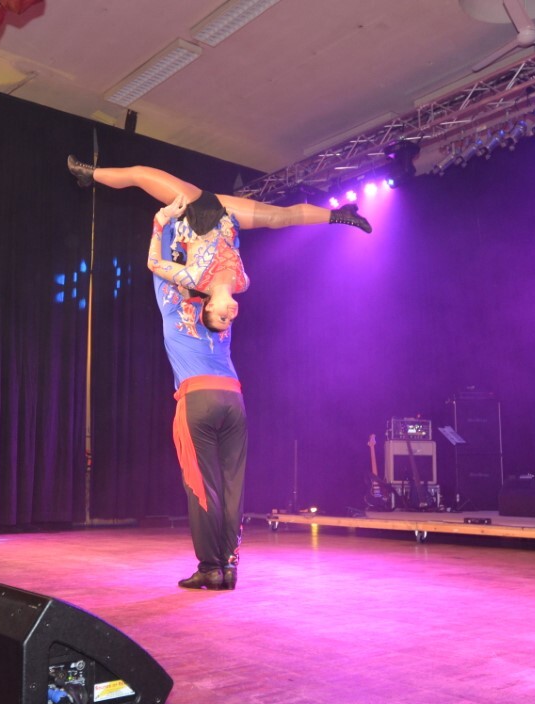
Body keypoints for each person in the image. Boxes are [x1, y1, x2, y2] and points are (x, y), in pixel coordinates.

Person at [68, 156, 371, 330]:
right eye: (230, 321)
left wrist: (161, 221)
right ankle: (342, 215)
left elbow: (154, 263)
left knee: (140, 174)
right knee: (280, 217)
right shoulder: (243, 283)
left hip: (195, 209)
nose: (231, 316)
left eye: (221, 317)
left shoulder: (193, 280)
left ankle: (89, 174)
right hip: (228, 216)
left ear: (210, 306)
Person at [147, 199, 247, 590]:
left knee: (203, 485)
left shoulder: (173, 306)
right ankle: (230, 565)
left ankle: (210, 567)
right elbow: (222, 263)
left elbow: (157, 265)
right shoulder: (220, 315)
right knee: (232, 483)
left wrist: (163, 223)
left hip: (198, 400)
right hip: (234, 399)